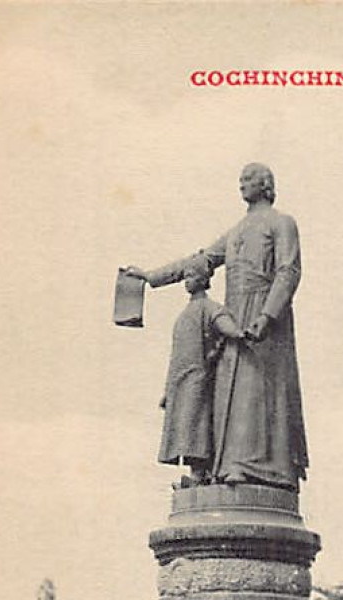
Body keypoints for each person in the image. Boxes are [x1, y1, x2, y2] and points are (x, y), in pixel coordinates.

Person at [123, 163, 308, 490]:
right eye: (240, 180)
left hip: (265, 318)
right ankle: (229, 463)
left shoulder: (282, 223)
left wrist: (267, 316)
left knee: (257, 390)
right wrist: (152, 278)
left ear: (265, 185)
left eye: (248, 180)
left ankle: (261, 469)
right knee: (227, 391)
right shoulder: (236, 231)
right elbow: (201, 260)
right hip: (233, 314)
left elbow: (288, 271)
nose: (241, 185)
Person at [158, 255, 242, 485]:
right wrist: (167, 390)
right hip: (179, 379)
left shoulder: (210, 308)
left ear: (203, 279)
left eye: (192, 276)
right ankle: (197, 474)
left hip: (199, 375)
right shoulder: (183, 315)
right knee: (184, 427)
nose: (187, 281)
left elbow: (227, 327)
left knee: (198, 424)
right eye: (185, 277)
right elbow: (176, 355)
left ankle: (200, 473)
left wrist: (241, 333)